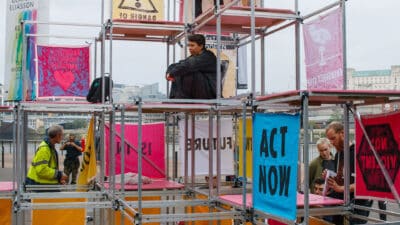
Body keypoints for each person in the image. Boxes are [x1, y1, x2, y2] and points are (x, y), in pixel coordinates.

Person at [325, 121, 372, 225]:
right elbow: (341, 178)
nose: (331, 143)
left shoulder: (358, 152)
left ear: (342, 133)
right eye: (330, 140)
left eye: (333, 138)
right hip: (341, 201)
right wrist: (329, 178)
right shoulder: (338, 155)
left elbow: (364, 183)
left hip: (357, 203)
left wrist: (341, 188)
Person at [166, 34, 217, 99]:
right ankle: (174, 97)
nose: (189, 48)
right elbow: (177, 65)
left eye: (192, 45)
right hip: (199, 90)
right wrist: (169, 73)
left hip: (209, 92)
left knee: (187, 70)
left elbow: (187, 65)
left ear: (201, 46)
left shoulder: (207, 56)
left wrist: (171, 73)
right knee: (180, 69)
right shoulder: (195, 56)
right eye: (189, 45)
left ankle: (181, 97)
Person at [26, 125, 68, 189]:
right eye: (62, 135)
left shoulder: (49, 146)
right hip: (39, 184)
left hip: (42, 183)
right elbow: (41, 170)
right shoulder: (45, 149)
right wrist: (60, 175)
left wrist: (58, 179)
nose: (62, 137)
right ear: (57, 135)